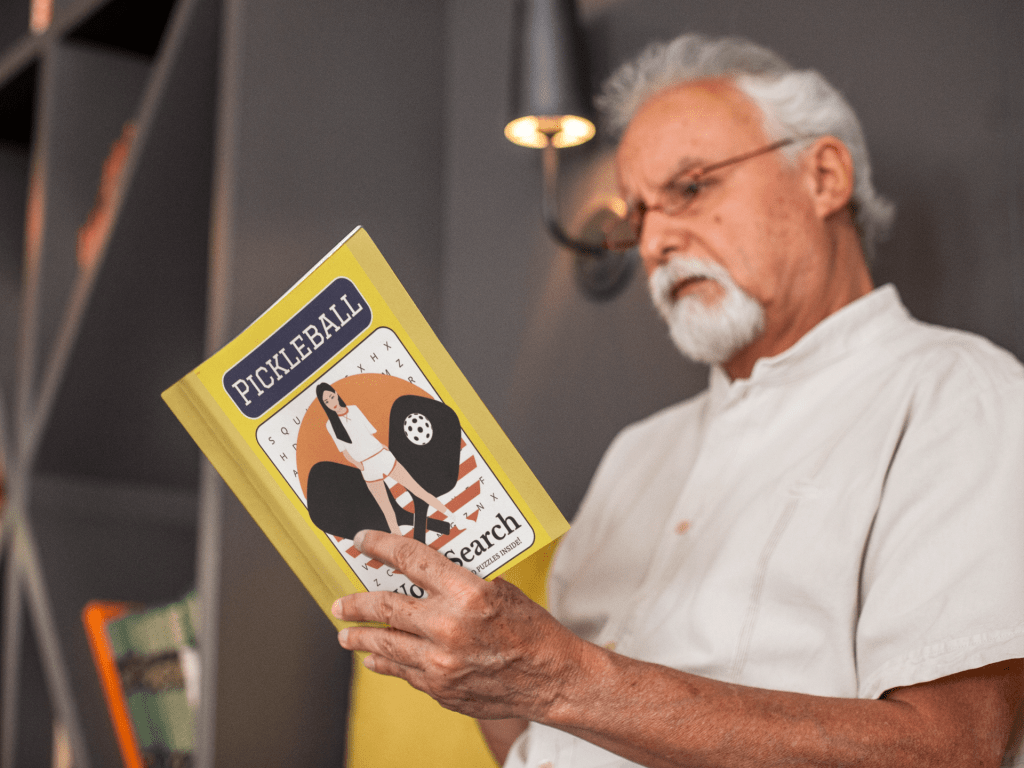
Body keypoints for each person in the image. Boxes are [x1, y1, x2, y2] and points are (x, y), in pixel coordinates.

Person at [330, 34, 1024, 767]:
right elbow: (536, 743)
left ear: (823, 176)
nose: (656, 240)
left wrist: (561, 676)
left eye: (691, 187)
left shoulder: (958, 395)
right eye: (639, 214)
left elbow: (948, 751)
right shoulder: (637, 453)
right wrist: (475, 665)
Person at [316, 382, 454, 535]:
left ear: (335, 393)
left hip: (382, 456)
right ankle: (402, 545)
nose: (331, 403)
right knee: (387, 510)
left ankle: (454, 517)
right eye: (326, 402)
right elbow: (344, 451)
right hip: (367, 467)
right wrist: (359, 465)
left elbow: (369, 434)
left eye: (331, 397)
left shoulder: (354, 410)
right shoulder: (331, 425)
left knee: (418, 490)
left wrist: (383, 447)